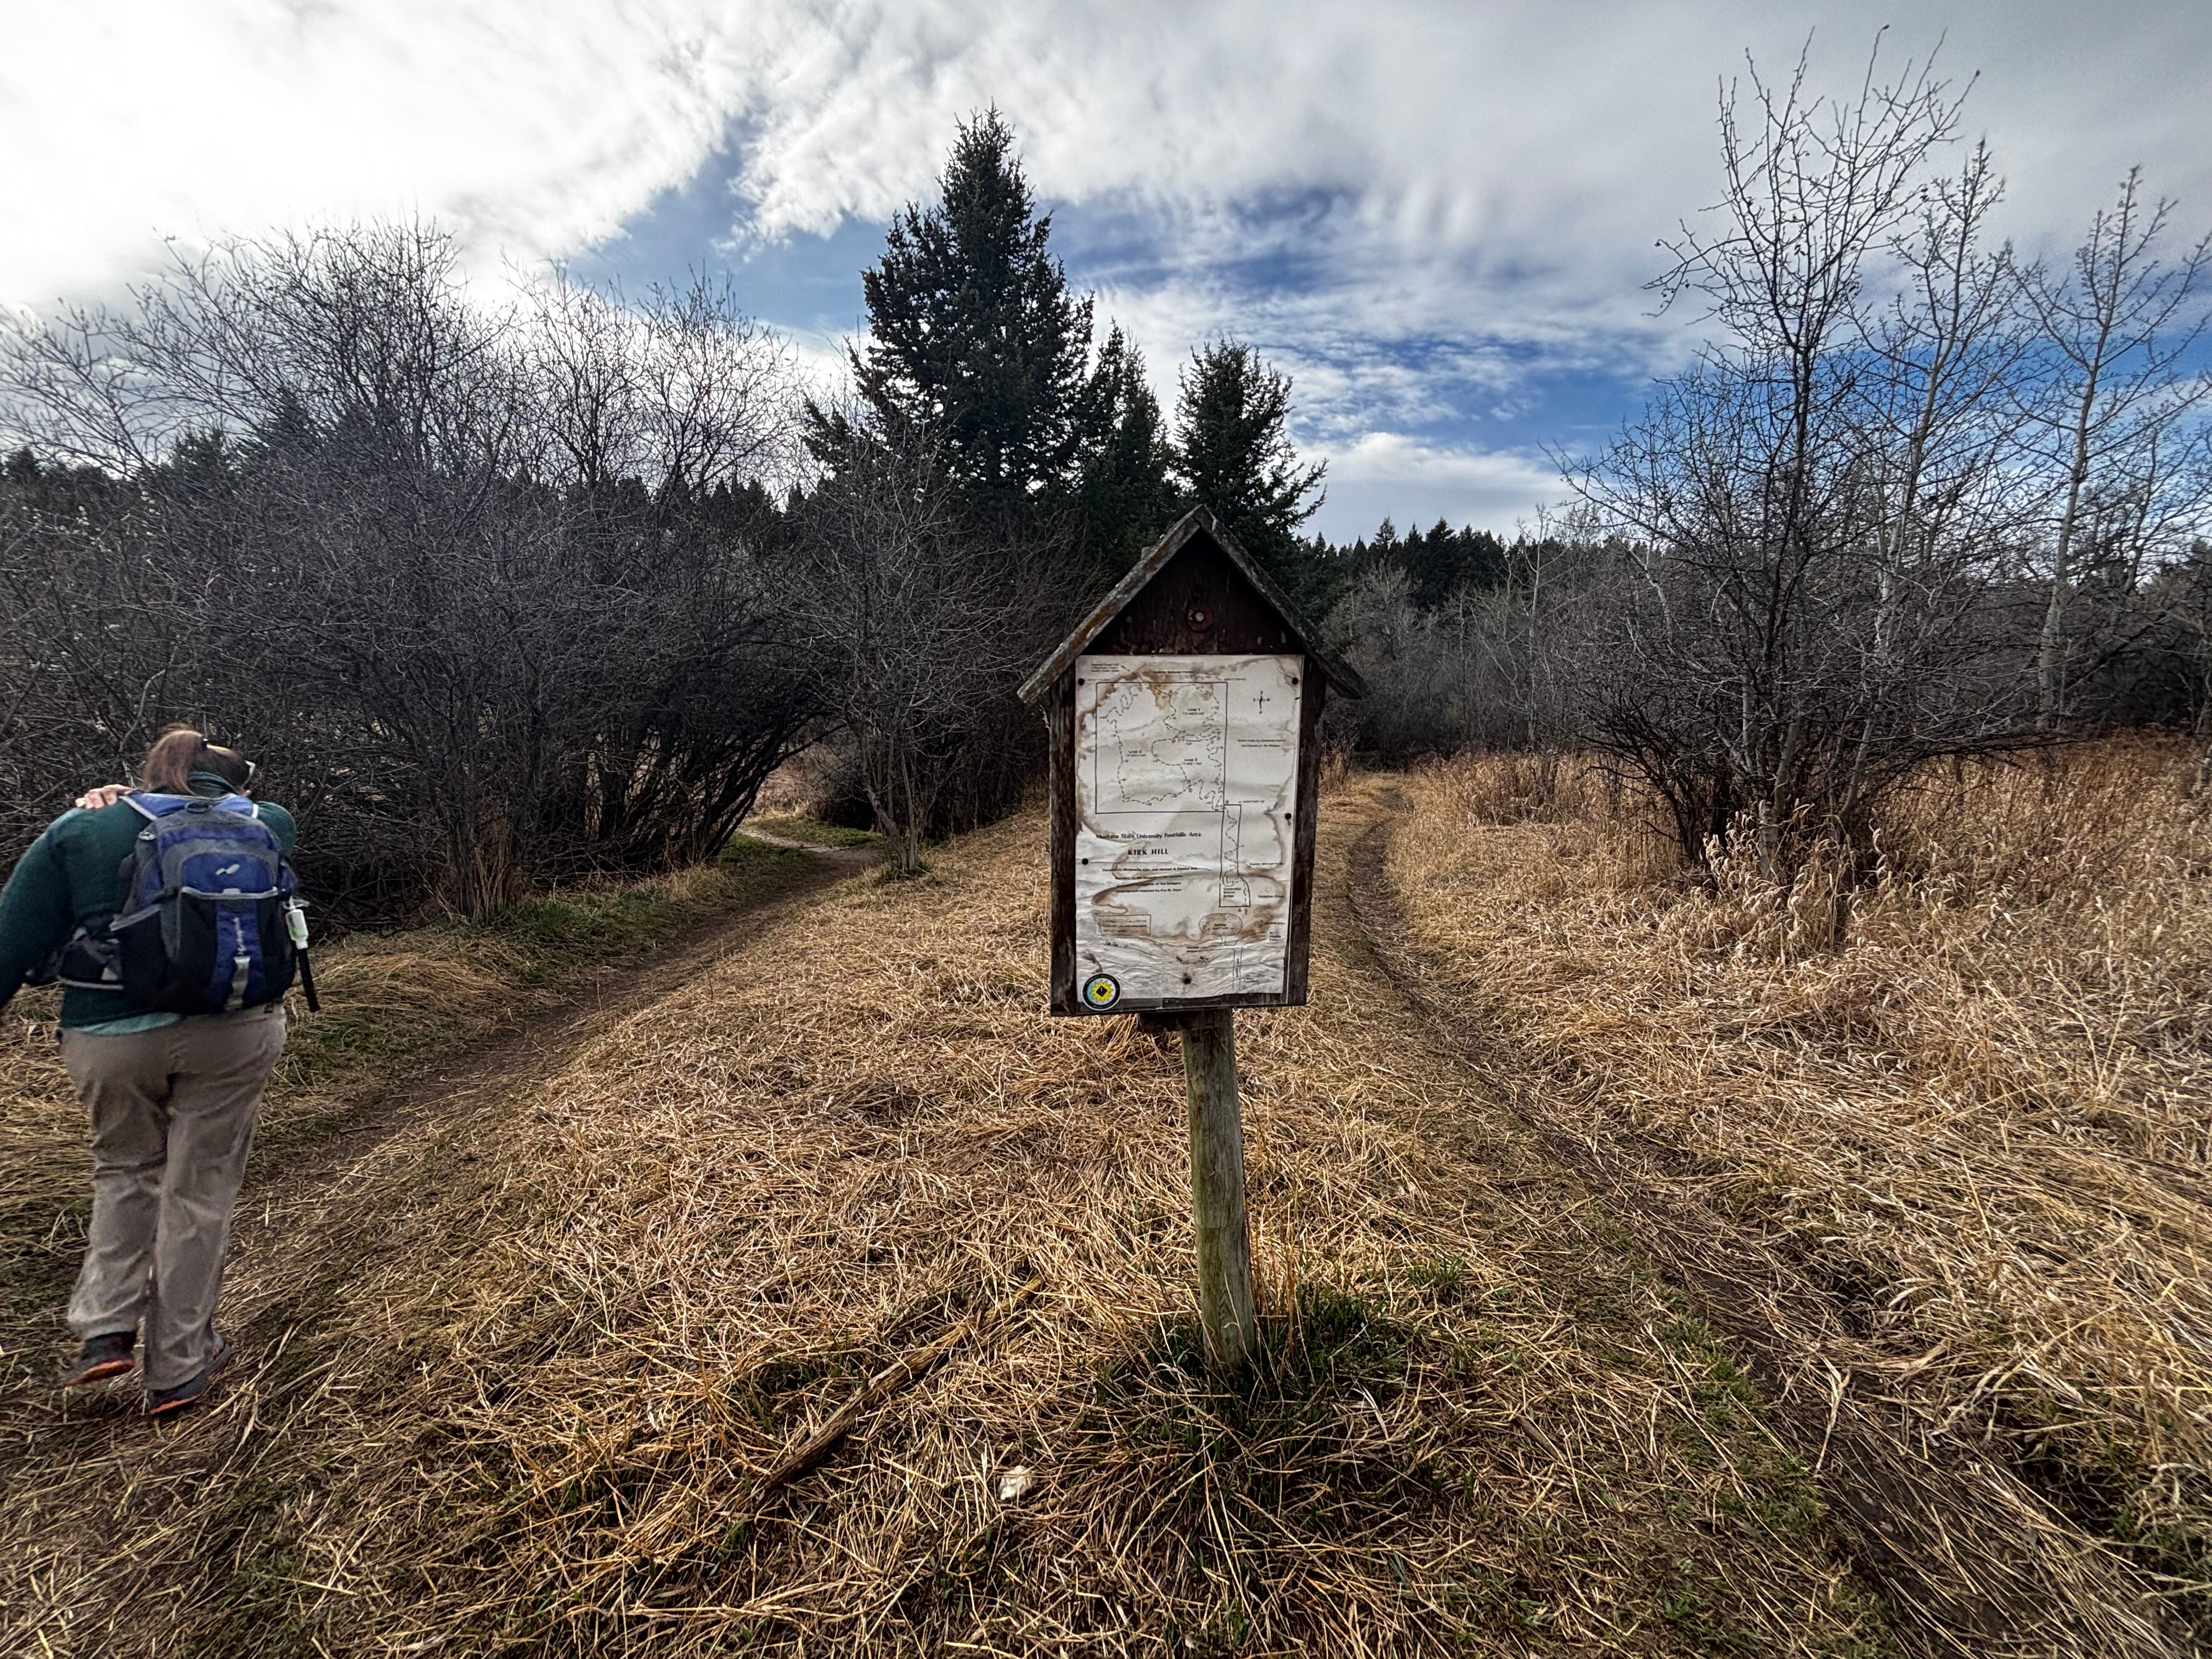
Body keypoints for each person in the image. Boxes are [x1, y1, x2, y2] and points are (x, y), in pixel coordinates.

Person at [0, 727, 299, 1416]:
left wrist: (107, 801)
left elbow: (14, 941)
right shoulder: (271, 824)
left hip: (110, 1036)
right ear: (235, 782)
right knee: (200, 1190)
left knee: (126, 1167)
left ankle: (105, 1329)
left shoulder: (82, 828)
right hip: (235, 1031)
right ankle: (179, 1369)